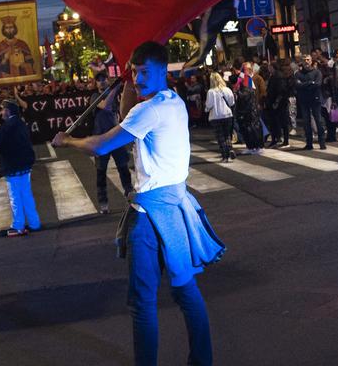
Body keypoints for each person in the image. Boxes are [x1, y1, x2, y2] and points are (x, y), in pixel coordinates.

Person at [52, 41, 222, 366]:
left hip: (149, 216)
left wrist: (67, 140)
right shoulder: (174, 102)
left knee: (142, 302)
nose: (139, 79)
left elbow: (101, 146)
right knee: (186, 291)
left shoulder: (149, 111)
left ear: (161, 70)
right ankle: (203, 360)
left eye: (145, 72)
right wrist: (129, 79)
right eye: (135, 72)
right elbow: (128, 109)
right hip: (176, 208)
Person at [0, 99, 41, 236]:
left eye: (3, 109)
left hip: (13, 165)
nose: (1, 112)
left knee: (15, 196)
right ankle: (34, 223)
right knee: (26, 194)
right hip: (24, 164)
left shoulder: (8, 125)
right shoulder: (19, 122)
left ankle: (18, 225)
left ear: (8, 111)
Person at [90, 72, 133, 213]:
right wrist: (115, 88)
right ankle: (103, 204)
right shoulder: (95, 97)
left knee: (123, 169)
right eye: (99, 80)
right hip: (101, 139)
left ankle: (130, 197)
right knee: (101, 172)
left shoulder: (115, 95)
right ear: (95, 84)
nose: (102, 82)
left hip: (116, 138)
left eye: (104, 79)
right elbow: (106, 106)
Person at [294, 56, 326, 150]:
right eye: (304, 60)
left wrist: (304, 84)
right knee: (306, 122)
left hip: (315, 99)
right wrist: (310, 83)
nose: (306, 62)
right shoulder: (298, 73)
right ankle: (309, 143)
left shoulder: (317, 72)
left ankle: (322, 142)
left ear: (311, 61)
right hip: (304, 99)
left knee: (318, 121)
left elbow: (317, 84)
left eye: (308, 60)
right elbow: (297, 85)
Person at [204, 72, 235, 162]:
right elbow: (232, 102)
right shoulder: (227, 89)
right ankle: (229, 149)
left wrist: (206, 109)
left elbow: (209, 105)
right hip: (227, 114)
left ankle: (225, 156)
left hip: (216, 116)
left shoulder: (211, 92)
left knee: (220, 136)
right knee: (227, 135)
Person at [233, 71, 264, 154]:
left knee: (251, 130)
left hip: (249, 114)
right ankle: (251, 147)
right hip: (247, 113)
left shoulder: (245, 90)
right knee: (247, 131)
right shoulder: (244, 89)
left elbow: (244, 100)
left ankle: (256, 147)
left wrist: (237, 92)